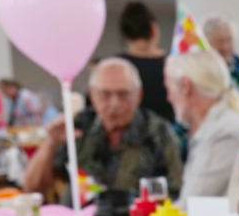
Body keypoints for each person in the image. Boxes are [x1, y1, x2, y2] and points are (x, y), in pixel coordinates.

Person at [24, 58, 182, 198]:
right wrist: (51, 143)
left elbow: (178, 192)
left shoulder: (158, 131)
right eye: (105, 94)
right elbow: (32, 189)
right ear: (92, 95)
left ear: (139, 95)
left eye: (123, 94)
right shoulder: (78, 126)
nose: (114, 104)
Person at [167, 50, 239, 216]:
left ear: (186, 86)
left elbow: (188, 208)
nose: (168, 97)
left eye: (169, 89)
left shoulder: (225, 134)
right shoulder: (223, 125)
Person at [117, 2, 174, 124]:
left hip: (128, 136)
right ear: (154, 29)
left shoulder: (116, 67)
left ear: (125, 34)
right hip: (170, 136)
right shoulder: (172, 65)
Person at [204, 14, 239, 114]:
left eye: (229, 40)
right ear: (206, 43)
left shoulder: (238, 62)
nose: (226, 47)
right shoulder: (201, 67)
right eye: (220, 42)